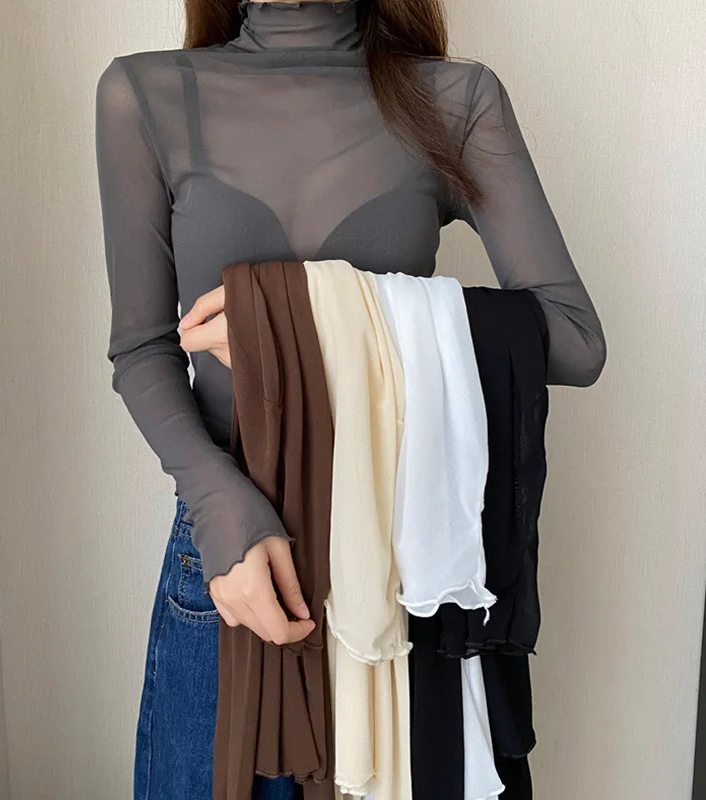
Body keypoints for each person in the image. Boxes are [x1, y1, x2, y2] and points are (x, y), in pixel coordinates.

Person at [94, 0, 606, 797]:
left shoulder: (453, 100)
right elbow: (143, 347)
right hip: (234, 559)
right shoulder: (147, 94)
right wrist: (217, 502)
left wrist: (300, 322)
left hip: (400, 564)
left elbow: (574, 338)